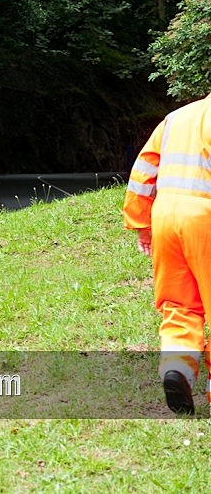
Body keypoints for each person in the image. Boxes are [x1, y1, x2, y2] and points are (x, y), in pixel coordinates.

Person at [123, 95, 211, 415]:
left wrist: (142, 224)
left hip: (166, 218)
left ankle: (177, 368)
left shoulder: (175, 119)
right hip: (206, 219)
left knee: (178, 305)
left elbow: (143, 171)